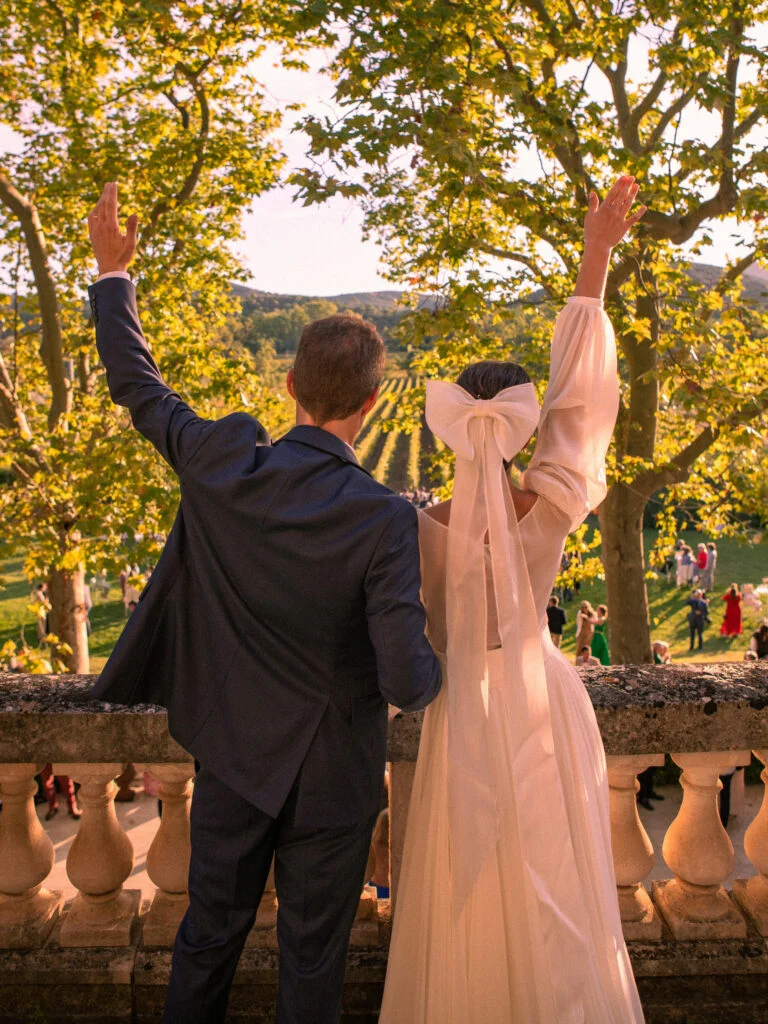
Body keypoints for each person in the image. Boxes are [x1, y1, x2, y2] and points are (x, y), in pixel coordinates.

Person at [85, 183, 441, 1024]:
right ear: (373, 404)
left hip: (235, 757)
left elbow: (140, 388)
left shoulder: (222, 461)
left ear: (288, 385)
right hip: (335, 778)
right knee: (312, 967)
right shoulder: (385, 519)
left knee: (207, 939)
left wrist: (111, 275)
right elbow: (409, 680)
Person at [380, 176, 645, 1022]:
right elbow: (581, 401)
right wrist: (595, 258)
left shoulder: (412, 531)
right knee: (556, 880)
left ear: (453, 427)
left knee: (469, 894)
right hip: (543, 704)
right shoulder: (554, 502)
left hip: (461, 710)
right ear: (522, 426)